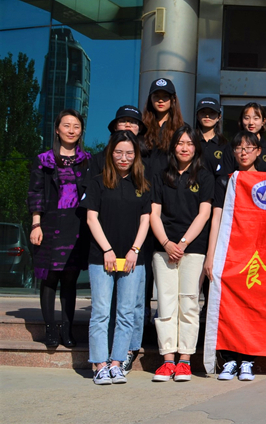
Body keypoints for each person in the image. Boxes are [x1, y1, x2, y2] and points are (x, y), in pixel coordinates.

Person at [82, 131, 151, 385]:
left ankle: (117, 363)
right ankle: (100, 364)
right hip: (101, 258)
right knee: (101, 312)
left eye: (129, 153)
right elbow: (91, 219)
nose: (124, 158)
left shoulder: (142, 185)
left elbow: (146, 221)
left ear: (136, 156)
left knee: (126, 313)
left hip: (133, 259)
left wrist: (134, 250)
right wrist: (107, 250)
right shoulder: (97, 182)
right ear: (111, 154)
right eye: (119, 152)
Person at [149, 125, 214, 382]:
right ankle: (167, 360)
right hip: (163, 248)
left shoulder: (204, 177)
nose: (184, 148)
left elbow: (204, 214)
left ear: (196, 147)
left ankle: (185, 360)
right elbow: (154, 213)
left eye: (189, 143)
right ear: (173, 147)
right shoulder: (161, 176)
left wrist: (183, 243)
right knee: (165, 304)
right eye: (180, 143)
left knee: (189, 304)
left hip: (193, 250)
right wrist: (166, 243)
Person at [27, 109, 91, 349]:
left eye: (76, 126)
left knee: (70, 278)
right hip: (49, 225)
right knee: (49, 277)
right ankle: (50, 329)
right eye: (66, 125)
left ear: (81, 131)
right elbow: (35, 192)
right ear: (57, 129)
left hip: (77, 225)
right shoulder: (44, 159)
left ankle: (67, 329)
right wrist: (36, 223)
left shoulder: (88, 160)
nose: (71, 130)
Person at [207, 131, 262, 382]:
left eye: (249, 148)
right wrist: (211, 255)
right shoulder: (225, 181)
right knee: (228, 307)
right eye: (239, 148)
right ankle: (228, 359)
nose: (243, 152)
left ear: (258, 152)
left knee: (252, 308)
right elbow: (216, 218)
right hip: (229, 252)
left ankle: (248, 360)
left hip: (257, 255)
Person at [141, 78, 184, 326]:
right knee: (144, 264)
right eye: (156, 95)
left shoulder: (181, 130)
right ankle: (143, 314)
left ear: (173, 100)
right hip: (142, 202)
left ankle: (168, 318)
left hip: (167, 205)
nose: (160, 100)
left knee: (168, 265)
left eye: (165, 96)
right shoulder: (141, 128)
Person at [220, 102, 266, 176]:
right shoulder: (231, 147)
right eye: (246, 118)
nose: (251, 122)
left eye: (256, 118)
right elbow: (225, 177)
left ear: (263, 121)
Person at [89, 105, 147, 178]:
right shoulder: (99, 159)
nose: (128, 125)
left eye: (133, 122)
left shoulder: (148, 158)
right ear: (115, 127)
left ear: (140, 128)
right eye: (123, 121)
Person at [195, 97, 227, 176]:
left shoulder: (224, 145)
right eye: (203, 112)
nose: (207, 116)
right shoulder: (191, 141)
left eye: (212, 112)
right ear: (197, 116)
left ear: (219, 116)